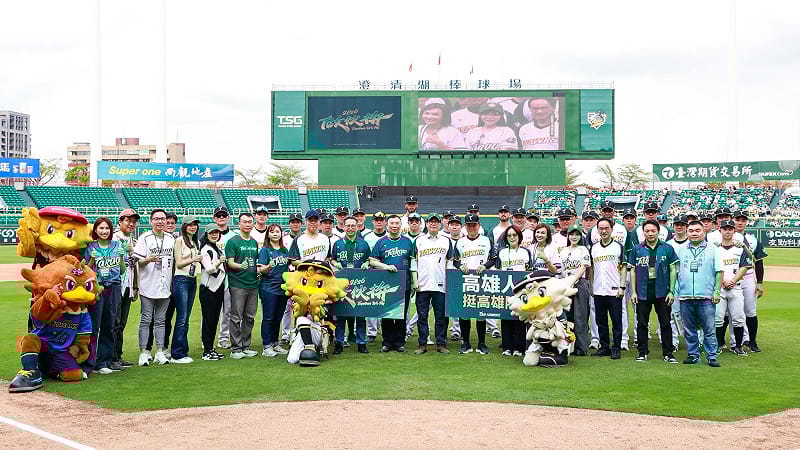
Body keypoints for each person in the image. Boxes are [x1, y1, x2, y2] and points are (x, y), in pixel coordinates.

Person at [627, 219, 679, 363]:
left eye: (653, 231)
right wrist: (633, 292)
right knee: (642, 323)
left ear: (658, 232)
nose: (650, 233)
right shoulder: (637, 249)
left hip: (662, 291)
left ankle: (668, 353)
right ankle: (642, 352)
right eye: (647, 231)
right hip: (643, 291)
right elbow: (632, 271)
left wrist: (671, 291)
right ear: (643, 232)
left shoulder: (667, 248)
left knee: (665, 323)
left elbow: (673, 269)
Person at [674, 220, 723, 367]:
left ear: (704, 232)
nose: (694, 233)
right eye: (691, 231)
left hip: (706, 296)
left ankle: (711, 356)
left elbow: (719, 271)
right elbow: (675, 272)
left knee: (709, 329)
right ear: (687, 232)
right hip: (685, 295)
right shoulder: (680, 250)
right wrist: (675, 291)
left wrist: (716, 291)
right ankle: (693, 355)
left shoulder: (713, 249)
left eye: (697, 230)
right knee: (689, 329)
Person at [83, 217, 126, 374]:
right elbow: (86, 270)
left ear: (111, 230)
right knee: (94, 326)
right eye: (101, 228)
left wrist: (121, 257)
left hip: (113, 287)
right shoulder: (91, 247)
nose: (104, 231)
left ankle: (103, 362)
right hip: (97, 288)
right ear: (95, 230)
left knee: (109, 325)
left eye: (107, 228)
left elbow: (122, 271)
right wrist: (93, 259)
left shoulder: (117, 245)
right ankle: (89, 362)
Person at [134, 208, 175, 366]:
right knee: (146, 320)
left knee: (161, 321)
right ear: (151, 221)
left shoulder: (171, 238)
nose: (160, 222)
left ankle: (159, 351)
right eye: (157, 219)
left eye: (163, 219)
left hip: (164, 285)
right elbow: (138, 260)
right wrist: (148, 259)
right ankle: (144, 352)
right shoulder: (145, 238)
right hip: (148, 285)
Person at [410, 213, 453, 355]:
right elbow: (413, 262)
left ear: (440, 224)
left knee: (441, 316)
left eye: (436, 221)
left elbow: (451, 262)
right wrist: (415, 280)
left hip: (440, 284)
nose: (433, 224)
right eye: (430, 221)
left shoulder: (446, 241)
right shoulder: (418, 240)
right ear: (426, 224)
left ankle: (441, 343)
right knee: (422, 316)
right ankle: (422, 344)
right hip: (422, 284)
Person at [369, 215, 414, 352]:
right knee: (387, 314)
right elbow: (372, 261)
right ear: (387, 225)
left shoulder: (407, 242)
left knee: (401, 314)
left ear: (401, 225)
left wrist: (413, 282)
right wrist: (385, 266)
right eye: (392, 223)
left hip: (404, 283)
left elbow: (413, 263)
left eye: (397, 223)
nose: (394, 225)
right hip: (386, 284)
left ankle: (399, 342)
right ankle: (387, 342)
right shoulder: (381, 242)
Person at [453, 213, 495, 355]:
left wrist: (486, 266)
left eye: (474, 225)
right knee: (464, 312)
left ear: (479, 225)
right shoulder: (460, 241)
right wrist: (459, 266)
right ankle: (466, 343)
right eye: (469, 225)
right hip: (466, 280)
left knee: (480, 312)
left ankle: (482, 343)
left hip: (482, 279)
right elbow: (455, 260)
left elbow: (493, 258)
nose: (472, 227)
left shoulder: (486, 240)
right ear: (465, 226)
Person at [330, 216, 372, 354]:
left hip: (359, 283)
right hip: (342, 283)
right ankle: (339, 342)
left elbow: (368, 258)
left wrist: (367, 263)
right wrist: (335, 263)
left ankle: (361, 342)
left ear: (357, 226)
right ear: (343, 226)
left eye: (353, 226)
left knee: (360, 313)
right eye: (347, 225)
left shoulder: (363, 244)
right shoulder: (337, 243)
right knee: (341, 314)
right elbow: (332, 259)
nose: (350, 228)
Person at [714, 219, 753, 356]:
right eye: (725, 229)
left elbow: (745, 266)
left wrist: (733, 280)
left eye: (730, 229)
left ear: (734, 231)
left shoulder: (740, 248)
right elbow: (712, 268)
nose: (728, 231)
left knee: (738, 318)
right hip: (720, 287)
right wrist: (724, 280)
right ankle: (718, 345)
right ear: (720, 230)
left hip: (735, 286)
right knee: (718, 318)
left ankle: (737, 346)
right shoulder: (715, 248)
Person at [589, 217, 627, 360]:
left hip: (614, 289)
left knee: (616, 320)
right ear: (597, 230)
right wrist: (592, 286)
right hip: (598, 290)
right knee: (601, 321)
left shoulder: (618, 246)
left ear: (611, 229)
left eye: (606, 228)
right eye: (601, 228)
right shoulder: (594, 248)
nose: (604, 231)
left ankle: (616, 348)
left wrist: (622, 286)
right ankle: (604, 347)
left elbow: (623, 268)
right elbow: (592, 269)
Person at [731, 210, 767, 352]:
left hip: (748, 277)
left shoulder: (752, 239)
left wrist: (760, 283)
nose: (740, 222)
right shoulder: (725, 237)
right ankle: (736, 342)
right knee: (733, 312)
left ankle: (752, 341)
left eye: (743, 220)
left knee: (750, 311)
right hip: (731, 277)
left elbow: (759, 262)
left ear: (746, 222)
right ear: (732, 220)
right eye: (737, 219)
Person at [225, 213, 260, 359]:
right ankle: (236, 348)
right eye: (245, 222)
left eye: (250, 222)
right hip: (238, 284)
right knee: (236, 317)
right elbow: (229, 262)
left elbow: (255, 262)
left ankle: (246, 346)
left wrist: (258, 271)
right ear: (239, 223)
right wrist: (241, 265)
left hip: (253, 284)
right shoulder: (232, 241)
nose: (248, 224)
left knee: (250, 317)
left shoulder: (254, 242)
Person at [169, 215, 202, 364]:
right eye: (190, 225)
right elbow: (179, 263)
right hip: (181, 279)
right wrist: (193, 259)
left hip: (191, 279)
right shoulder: (179, 240)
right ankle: (177, 353)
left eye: (195, 225)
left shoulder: (196, 242)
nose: (193, 227)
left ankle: (183, 350)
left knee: (186, 318)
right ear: (184, 226)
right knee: (182, 318)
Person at [496, 226, 531, 356]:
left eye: (514, 235)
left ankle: (519, 347)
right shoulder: (502, 252)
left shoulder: (525, 252)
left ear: (519, 237)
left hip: (521, 290)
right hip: (505, 288)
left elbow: (529, 270)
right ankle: (506, 346)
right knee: (506, 317)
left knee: (519, 318)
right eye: (509, 235)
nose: (512, 238)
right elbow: (498, 270)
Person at [257, 223, 291, 357]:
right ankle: (266, 346)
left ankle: (275, 343)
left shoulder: (284, 250)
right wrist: (268, 266)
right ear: (268, 234)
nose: (275, 234)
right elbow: (261, 269)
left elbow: (288, 267)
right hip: (268, 287)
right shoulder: (265, 250)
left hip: (282, 288)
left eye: (277, 231)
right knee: (269, 317)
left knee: (278, 317)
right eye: (272, 232)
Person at [111, 208, 139, 368]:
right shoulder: (114, 238)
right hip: (116, 285)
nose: (131, 224)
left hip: (127, 286)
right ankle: (110, 357)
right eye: (128, 220)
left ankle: (117, 356)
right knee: (114, 323)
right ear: (120, 222)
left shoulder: (132, 240)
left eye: (134, 221)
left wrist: (134, 287)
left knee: (121, 323)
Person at [559, 224, 591, 356]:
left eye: (577, 234)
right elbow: (561, 270)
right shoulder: (563, 251)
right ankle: (567, 345)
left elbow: (584, 267)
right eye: (572, 234)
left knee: (580, 316)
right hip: (566, 284)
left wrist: (572, 281)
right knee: (566, 317)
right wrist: (566, 283)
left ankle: (581, 347)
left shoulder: (583, 249)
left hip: (579, 283)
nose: (574, 237)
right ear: (568, 235)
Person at [198, 223, 226, 361]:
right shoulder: (205, 249)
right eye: (211, 233)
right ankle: (207, 350)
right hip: (208, 288)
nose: (214, 235)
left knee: (214, 319)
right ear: (207, 235)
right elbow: (209, 269)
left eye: (216, 232)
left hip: (218, 287)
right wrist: (219, 263)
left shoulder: (215, 248)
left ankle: (211, 347)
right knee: (208, 320)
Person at [210, 206, 235, 350]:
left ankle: (224, 337)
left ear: (228, 217)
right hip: (212, 276)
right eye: (218, 215)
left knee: (227, 310)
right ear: (214, 218)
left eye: (223, 215)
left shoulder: (233, 236)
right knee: (210, 310)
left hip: (228, 276)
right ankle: (207, 338)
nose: (221, 217)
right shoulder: (207, 235)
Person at [664, 214, 690, 352]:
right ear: (673, 226)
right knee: (673, 313)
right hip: (672, 281)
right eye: (677, 224)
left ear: (686, 226)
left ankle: (692, 341)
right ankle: (673, 341)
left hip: (688, 279)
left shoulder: (692, 242)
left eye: (682, 224)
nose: (679, 226)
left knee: (690, 313)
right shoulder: (668, 244)